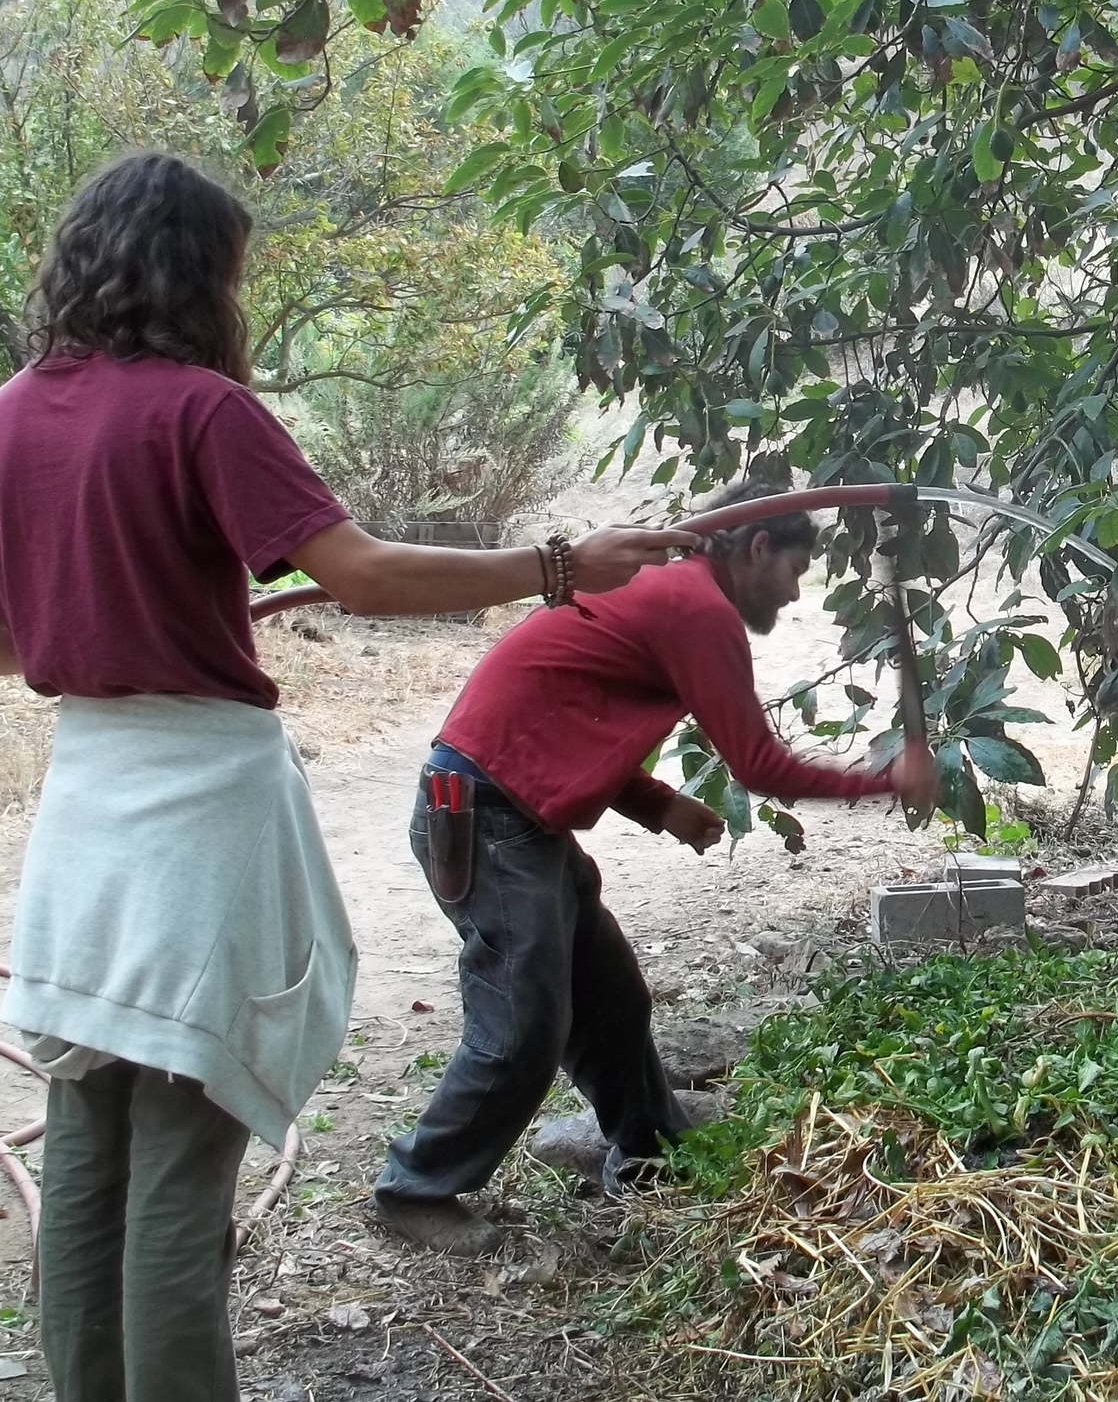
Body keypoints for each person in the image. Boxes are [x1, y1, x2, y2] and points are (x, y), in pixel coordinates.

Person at [0, 151, 690, 1402]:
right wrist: (558, 562)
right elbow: (367, 574)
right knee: (179, 1151)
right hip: (195, 821)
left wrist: (101, 627)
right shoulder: (200, 409)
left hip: (83, 816)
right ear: (199, 275)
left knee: (87, 1145)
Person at [372, 480, 940, 1256]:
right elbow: (761, 765)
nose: (796, 589)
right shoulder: (695, 606)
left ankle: (649, 1149)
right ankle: (416, 1186)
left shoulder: (663, 593)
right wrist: (888, 779)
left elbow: (566, 716)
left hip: (516, 815)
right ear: (757, 546)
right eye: (796, 567)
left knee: (609, 995)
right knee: (525, 1023)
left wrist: (658, 804)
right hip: (486, 815)